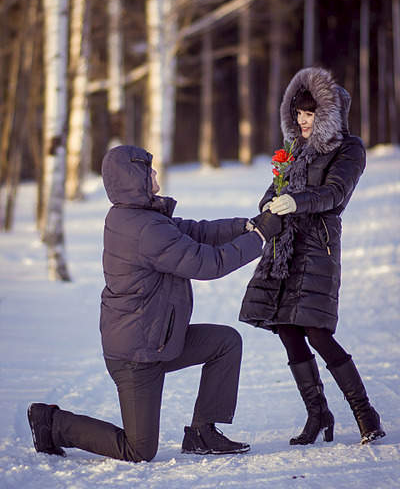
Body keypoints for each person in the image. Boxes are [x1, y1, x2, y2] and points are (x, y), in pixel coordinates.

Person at [28, 144, 282, 462]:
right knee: (139, 449)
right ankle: (51, 423)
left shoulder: (137, 217)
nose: (155, 173)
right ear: (133, 179)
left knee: (225, 342)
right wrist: (259, 238)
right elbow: (207, 263)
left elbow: (194, 231)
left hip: (158, 341)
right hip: (136, 356)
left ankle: (203, 433)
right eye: (149, 170)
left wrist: (247, 225)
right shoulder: (144, 229)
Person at [239, 67, 385, 446]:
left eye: (311, 114)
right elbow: (271, 193)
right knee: (287, 330)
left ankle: (365, 413)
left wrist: (297, 201)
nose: (303, 121)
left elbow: (336, 193)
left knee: (318, 333)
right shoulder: (293, 152)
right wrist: (268, 205)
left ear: (328, 115)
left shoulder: (348, 148)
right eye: (299, 114)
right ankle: (318, 414)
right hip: (284, 250)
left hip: (317, 248)